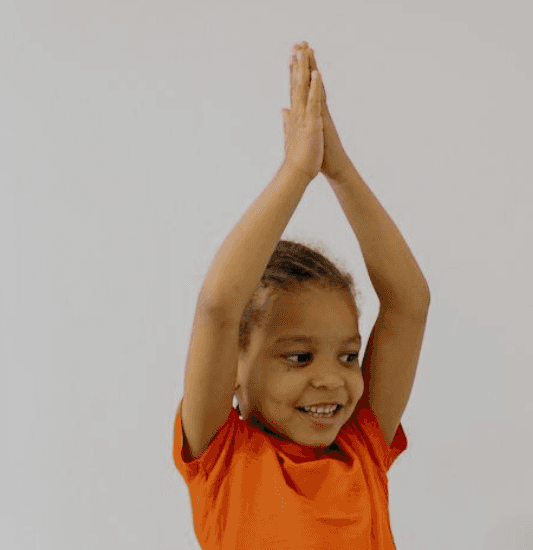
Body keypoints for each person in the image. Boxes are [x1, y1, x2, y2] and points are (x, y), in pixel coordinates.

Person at [175, 43, 430, 549]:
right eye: (299, 356)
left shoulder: (362, 447)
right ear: (234, 369)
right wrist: (296, 172)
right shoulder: (224, 458)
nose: (331, 379)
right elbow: (217, 308)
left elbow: (409, 303)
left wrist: (339, 171)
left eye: (348, 356)